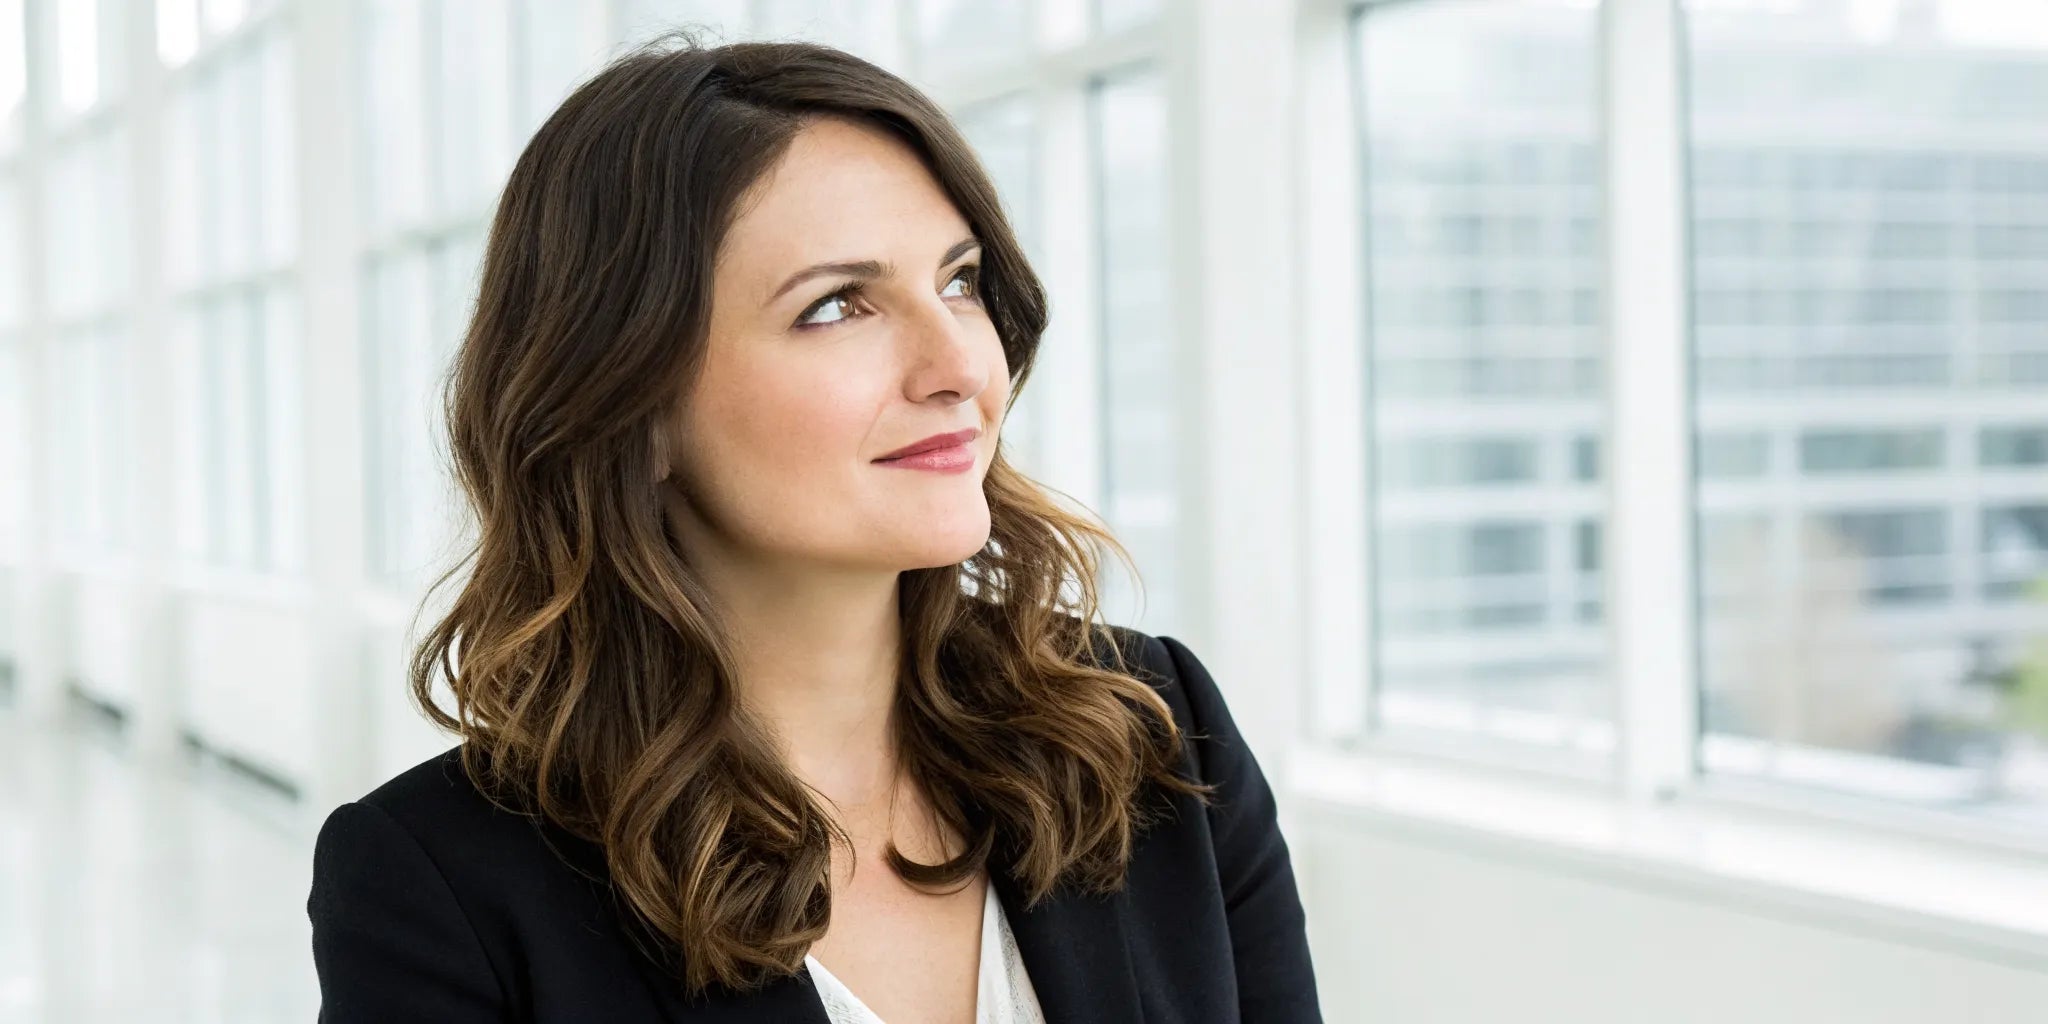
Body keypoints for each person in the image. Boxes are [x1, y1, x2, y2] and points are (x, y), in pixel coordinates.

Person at [307, 32, 1321, 1024]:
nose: (959, 367)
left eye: (958, 281)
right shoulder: (443, 888)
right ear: (630, 406)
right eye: (838, 305)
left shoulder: (1150, 732)